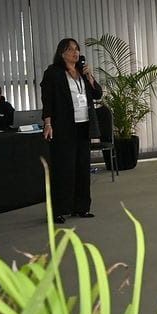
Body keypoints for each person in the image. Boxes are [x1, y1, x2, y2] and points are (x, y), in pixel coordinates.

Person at [40, 38, 103, 224]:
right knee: (63, 168)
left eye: (77, 49)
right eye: (70, 49)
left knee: (82, 167)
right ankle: (58, 210)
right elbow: (48, 100)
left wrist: (90, 76)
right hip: (63, 126)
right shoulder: (53, 73)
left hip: (83, 125)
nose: (75, 53)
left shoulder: (83, 72)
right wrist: (48, 123)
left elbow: (97, 94)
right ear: (62, 53)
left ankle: (81, 207)